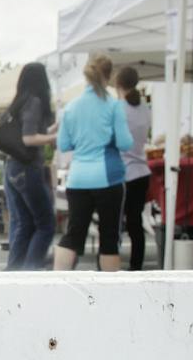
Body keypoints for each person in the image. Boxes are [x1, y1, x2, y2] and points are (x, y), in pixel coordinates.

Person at [53, 54, 137, 271]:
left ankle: (57, 283)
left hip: (78, 178)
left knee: (73, 235)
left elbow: (63, 144)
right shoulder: (113, 105)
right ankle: (110, 295)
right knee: (109, 239)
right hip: (108, 178)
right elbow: (126, 142)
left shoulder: (71, 107)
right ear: (109, 76)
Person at [0, 62, 57, 271]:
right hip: (28, 167)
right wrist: (54, 137)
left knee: (23, 224)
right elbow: (29, 138)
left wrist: (52, 128)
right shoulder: (35, 102)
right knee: (45, 224)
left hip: (12, 167)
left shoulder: (18, 103)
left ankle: (13, 272)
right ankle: (30, 272)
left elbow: (0, 129)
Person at [114, 66, 153, 271]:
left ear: (118, 84)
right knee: (135, 224)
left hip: (122, 172)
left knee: (114, 222)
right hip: (141, 170)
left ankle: (113, 263)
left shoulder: (118, 108)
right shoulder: (145, 108)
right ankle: (136, 266)